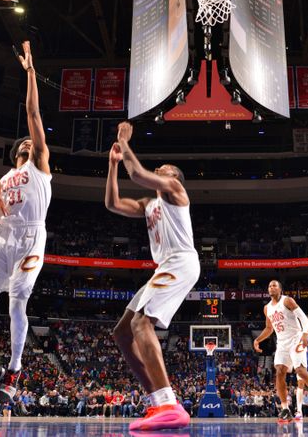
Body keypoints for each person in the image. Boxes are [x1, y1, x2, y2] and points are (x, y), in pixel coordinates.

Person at [0, 41, 52, 405]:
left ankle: (15, 369)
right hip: (2, 237)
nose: (34, 143)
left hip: (32, 237)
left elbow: (33, 114)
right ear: (20, 150)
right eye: (29, 145)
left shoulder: (40, 167)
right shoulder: (3, 181)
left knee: (17, 302)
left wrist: (31, 72)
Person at [105, 121, 201, 431]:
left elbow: (137, 174)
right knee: (121, 333)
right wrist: (112, 166)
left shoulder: (175, 191)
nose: (161, 169)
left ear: (174, 178)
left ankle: (169, 403)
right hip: (164, 267)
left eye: (165, 169)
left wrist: (124, 141)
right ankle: (157, 403)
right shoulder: (149, 204)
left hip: (181, 262)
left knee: (140, 322)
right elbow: (113, 204)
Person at [252, 280, 308, 422]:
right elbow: (269, 329)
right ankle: (285, 409)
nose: (271, 287)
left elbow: (303, 318)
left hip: (296, 338)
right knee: (280, 371)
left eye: (274, 285)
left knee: (300, 370)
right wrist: (258, 340)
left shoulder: (287, 301)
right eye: (269, 285)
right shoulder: (267, 308)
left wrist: (305, 334)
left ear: (280, 289)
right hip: (282, 342)